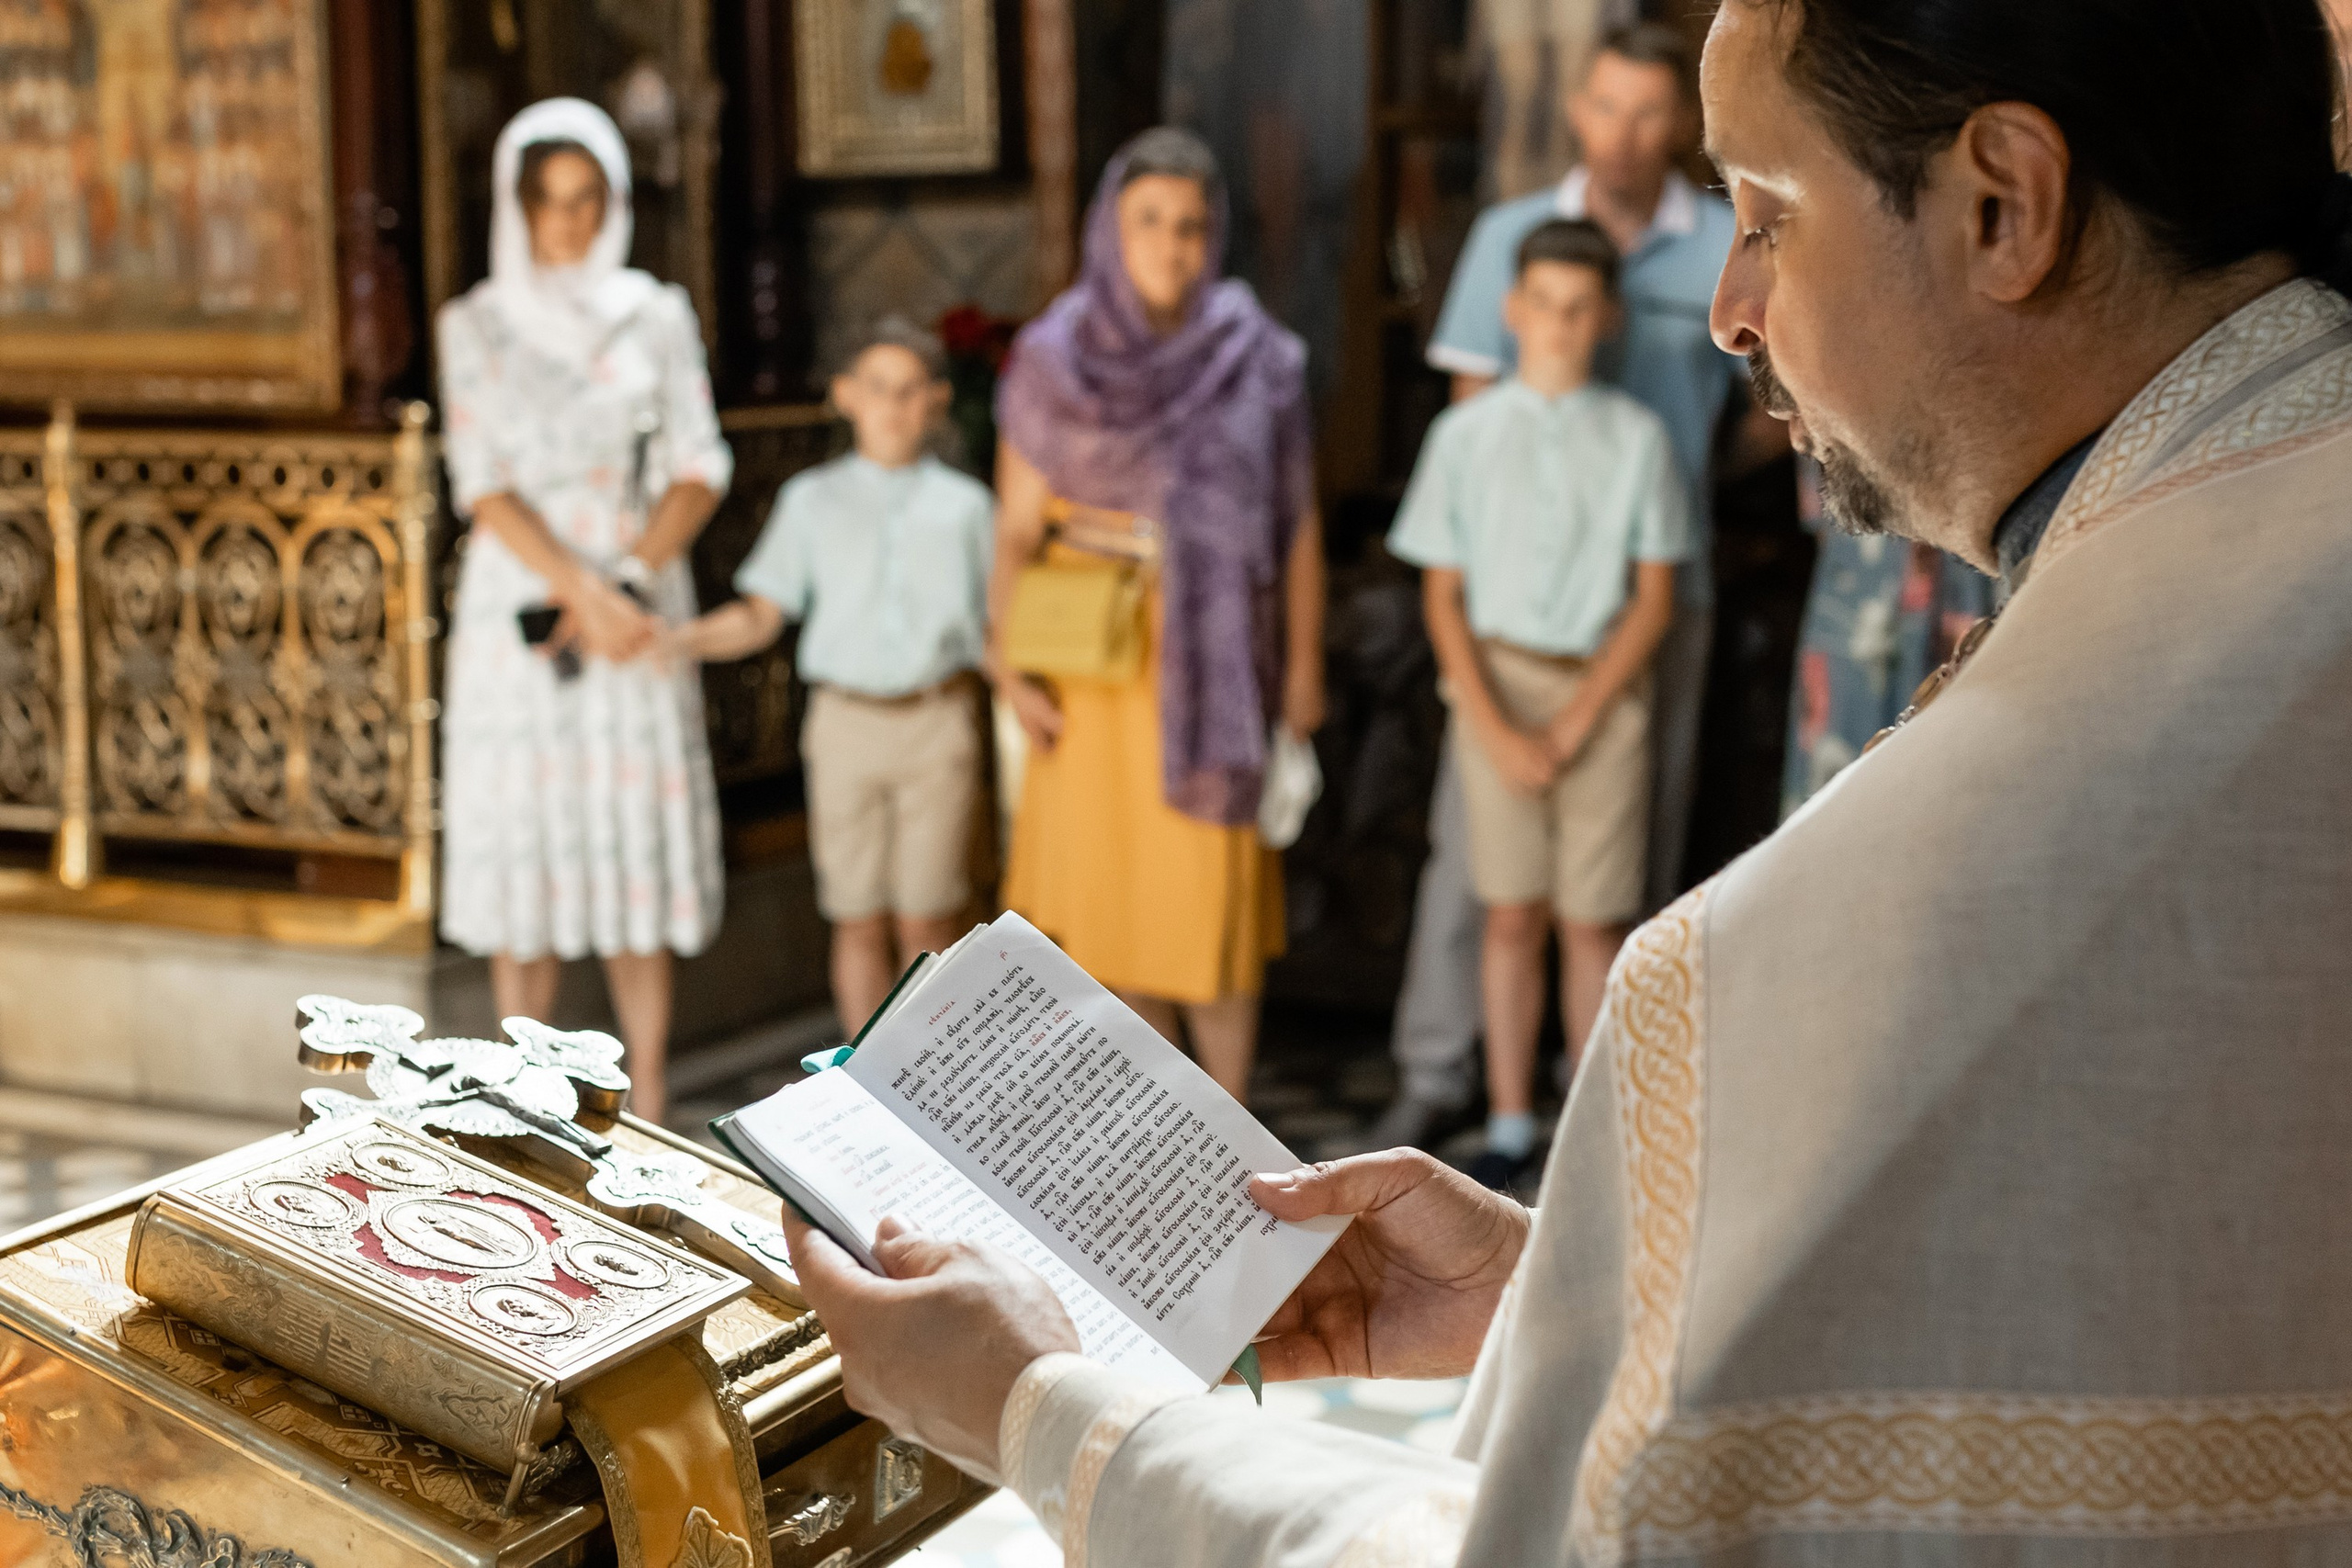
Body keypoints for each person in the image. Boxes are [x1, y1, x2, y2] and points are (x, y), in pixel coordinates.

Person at [779, 1, 2352, 1562]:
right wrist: (1578, 1285)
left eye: (1764, 216)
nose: (1728, 308)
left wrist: (1037, 1403)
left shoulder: (1837, 942)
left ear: (2004, 204)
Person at [1372, 21, 1744, 1153]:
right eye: (1607, 108)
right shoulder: (1507, 239)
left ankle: (1595, 1104)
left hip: (1650, 590)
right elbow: (1472, 414)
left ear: (1677, 121)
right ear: (1577, 110)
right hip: (1506, 611)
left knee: (1625, 849)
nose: (1626, 136)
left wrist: (1698, 477)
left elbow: (1778, 403)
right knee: (1478, 867)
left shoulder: (1724, 238)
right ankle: (1447, 1076)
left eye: (1650, 112)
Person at [987, 127, 1326, 1102]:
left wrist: (1302, 668)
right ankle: (1163, 1137)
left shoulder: (1261, 358)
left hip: (1221, 666)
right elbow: (1014, 534)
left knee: (1208, 919)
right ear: (1109, 229)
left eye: (1191, 226)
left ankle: (1238, 1134)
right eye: (1149, 222)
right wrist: (1011, 671)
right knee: (1117, 923)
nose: (1171, 245)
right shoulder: (1052, 361)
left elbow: (1295, 525)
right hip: (1094, 676)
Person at [436, 98, 732, 1123]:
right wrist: (580, 592)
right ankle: (522, 1099)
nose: (567, 221)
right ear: (517, 209)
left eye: (586, 198)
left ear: (612, 202)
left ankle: (646, 1095)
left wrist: (630, 583)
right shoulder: (472, 323)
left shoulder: (655, 312)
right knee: (531, 850)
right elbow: (480, 478)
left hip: (637, 603)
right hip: (521, 612)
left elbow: (700, 465)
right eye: (547, 201)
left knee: (630, 856)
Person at [1386, 219, 1690, 1190]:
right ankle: (1510, 1118)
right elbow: (1442, 597)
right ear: (1512, 312)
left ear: (1603, 319)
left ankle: (1588, 1120)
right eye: (1542, 307)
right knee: (1508, 910)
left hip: (1602, 693)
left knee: (1592, 917)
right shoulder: (1463, 437)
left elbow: (1654, 598)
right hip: (1494, 687)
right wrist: (1494, 722)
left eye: (1577, 309)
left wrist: (1575, 719)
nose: (1557, 326)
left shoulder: (1638, 439)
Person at [670, 319, 993, 1037]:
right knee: (855, 914)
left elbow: (991, 630)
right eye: (877, 388)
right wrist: (677, 640)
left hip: (936, 720)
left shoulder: (968, 508)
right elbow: (762, 612)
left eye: (910, 391)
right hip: (844, 724)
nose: (893, 406)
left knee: (929, 913)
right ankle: (866, 1083)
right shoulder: (810, 501)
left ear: (935, 400)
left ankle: (932, 1079)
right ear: (846, 395)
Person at [1781, 458, 1995, 813]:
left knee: (1945, 779)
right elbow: (1822, 510)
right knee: (1835, 790)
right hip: (1858, 599)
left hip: (1954, 592)